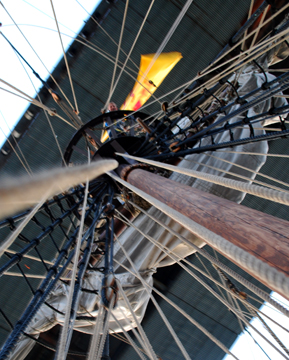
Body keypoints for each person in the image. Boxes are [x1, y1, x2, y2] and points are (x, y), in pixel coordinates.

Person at [8, 39, 289, 360]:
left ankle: (257, 57)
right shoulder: (110, 250)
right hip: (146, 184)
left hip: (152, 169)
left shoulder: (116, 237)